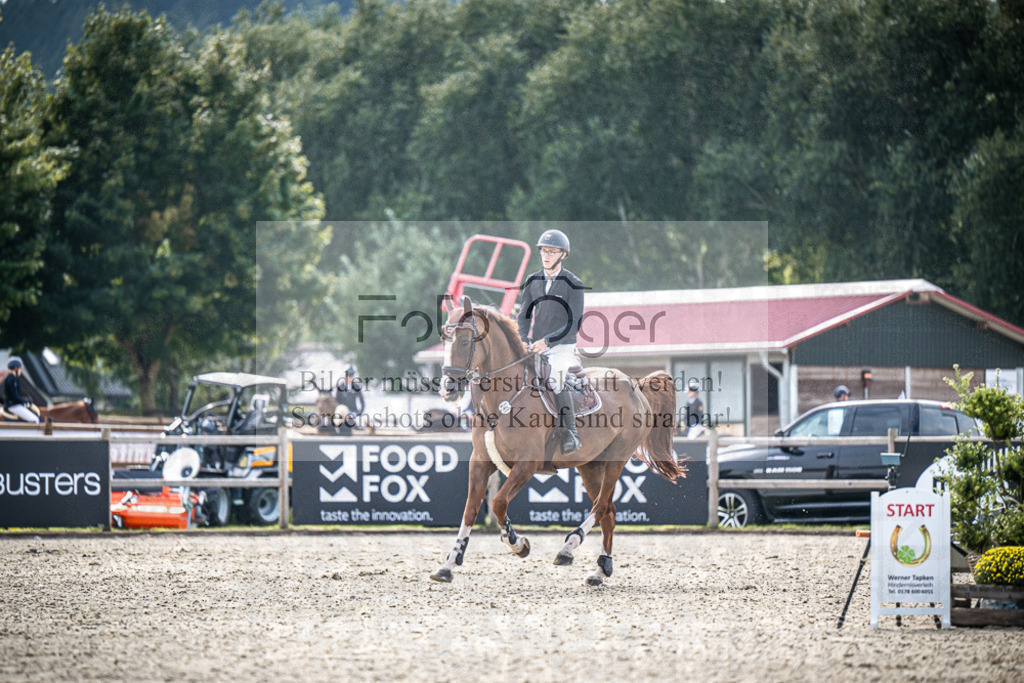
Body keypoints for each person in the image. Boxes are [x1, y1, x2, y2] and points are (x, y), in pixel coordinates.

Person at [516, 229, 585, 454]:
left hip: (562, 346)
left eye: (552, 252)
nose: (546, 256)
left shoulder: (573, 283)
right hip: (535, 345)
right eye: (544, 251)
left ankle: (571, 432)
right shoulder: (532, 280)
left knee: (555, 380)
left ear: (563, 255)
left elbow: (573, 324)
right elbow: (524, 315)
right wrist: (523, 339)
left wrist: (547, 341)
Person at [3, 358, 40, 423]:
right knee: (34, 420)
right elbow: (15, 397)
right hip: (14, 406)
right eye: (20, 368)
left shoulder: (12, 378)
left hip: (15, 404)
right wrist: (26, 400)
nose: (21, 371)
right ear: (16, 368)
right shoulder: (12, 379)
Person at [334, 366, 365, 436]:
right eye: (349, 376)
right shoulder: (340, 387)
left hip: (353, 411)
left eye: (351, 376)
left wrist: (359, 412)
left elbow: (362, 401)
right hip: (343, 412)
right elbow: (337, 400)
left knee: (361, 424)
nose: (350, 378)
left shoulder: (356, 386)